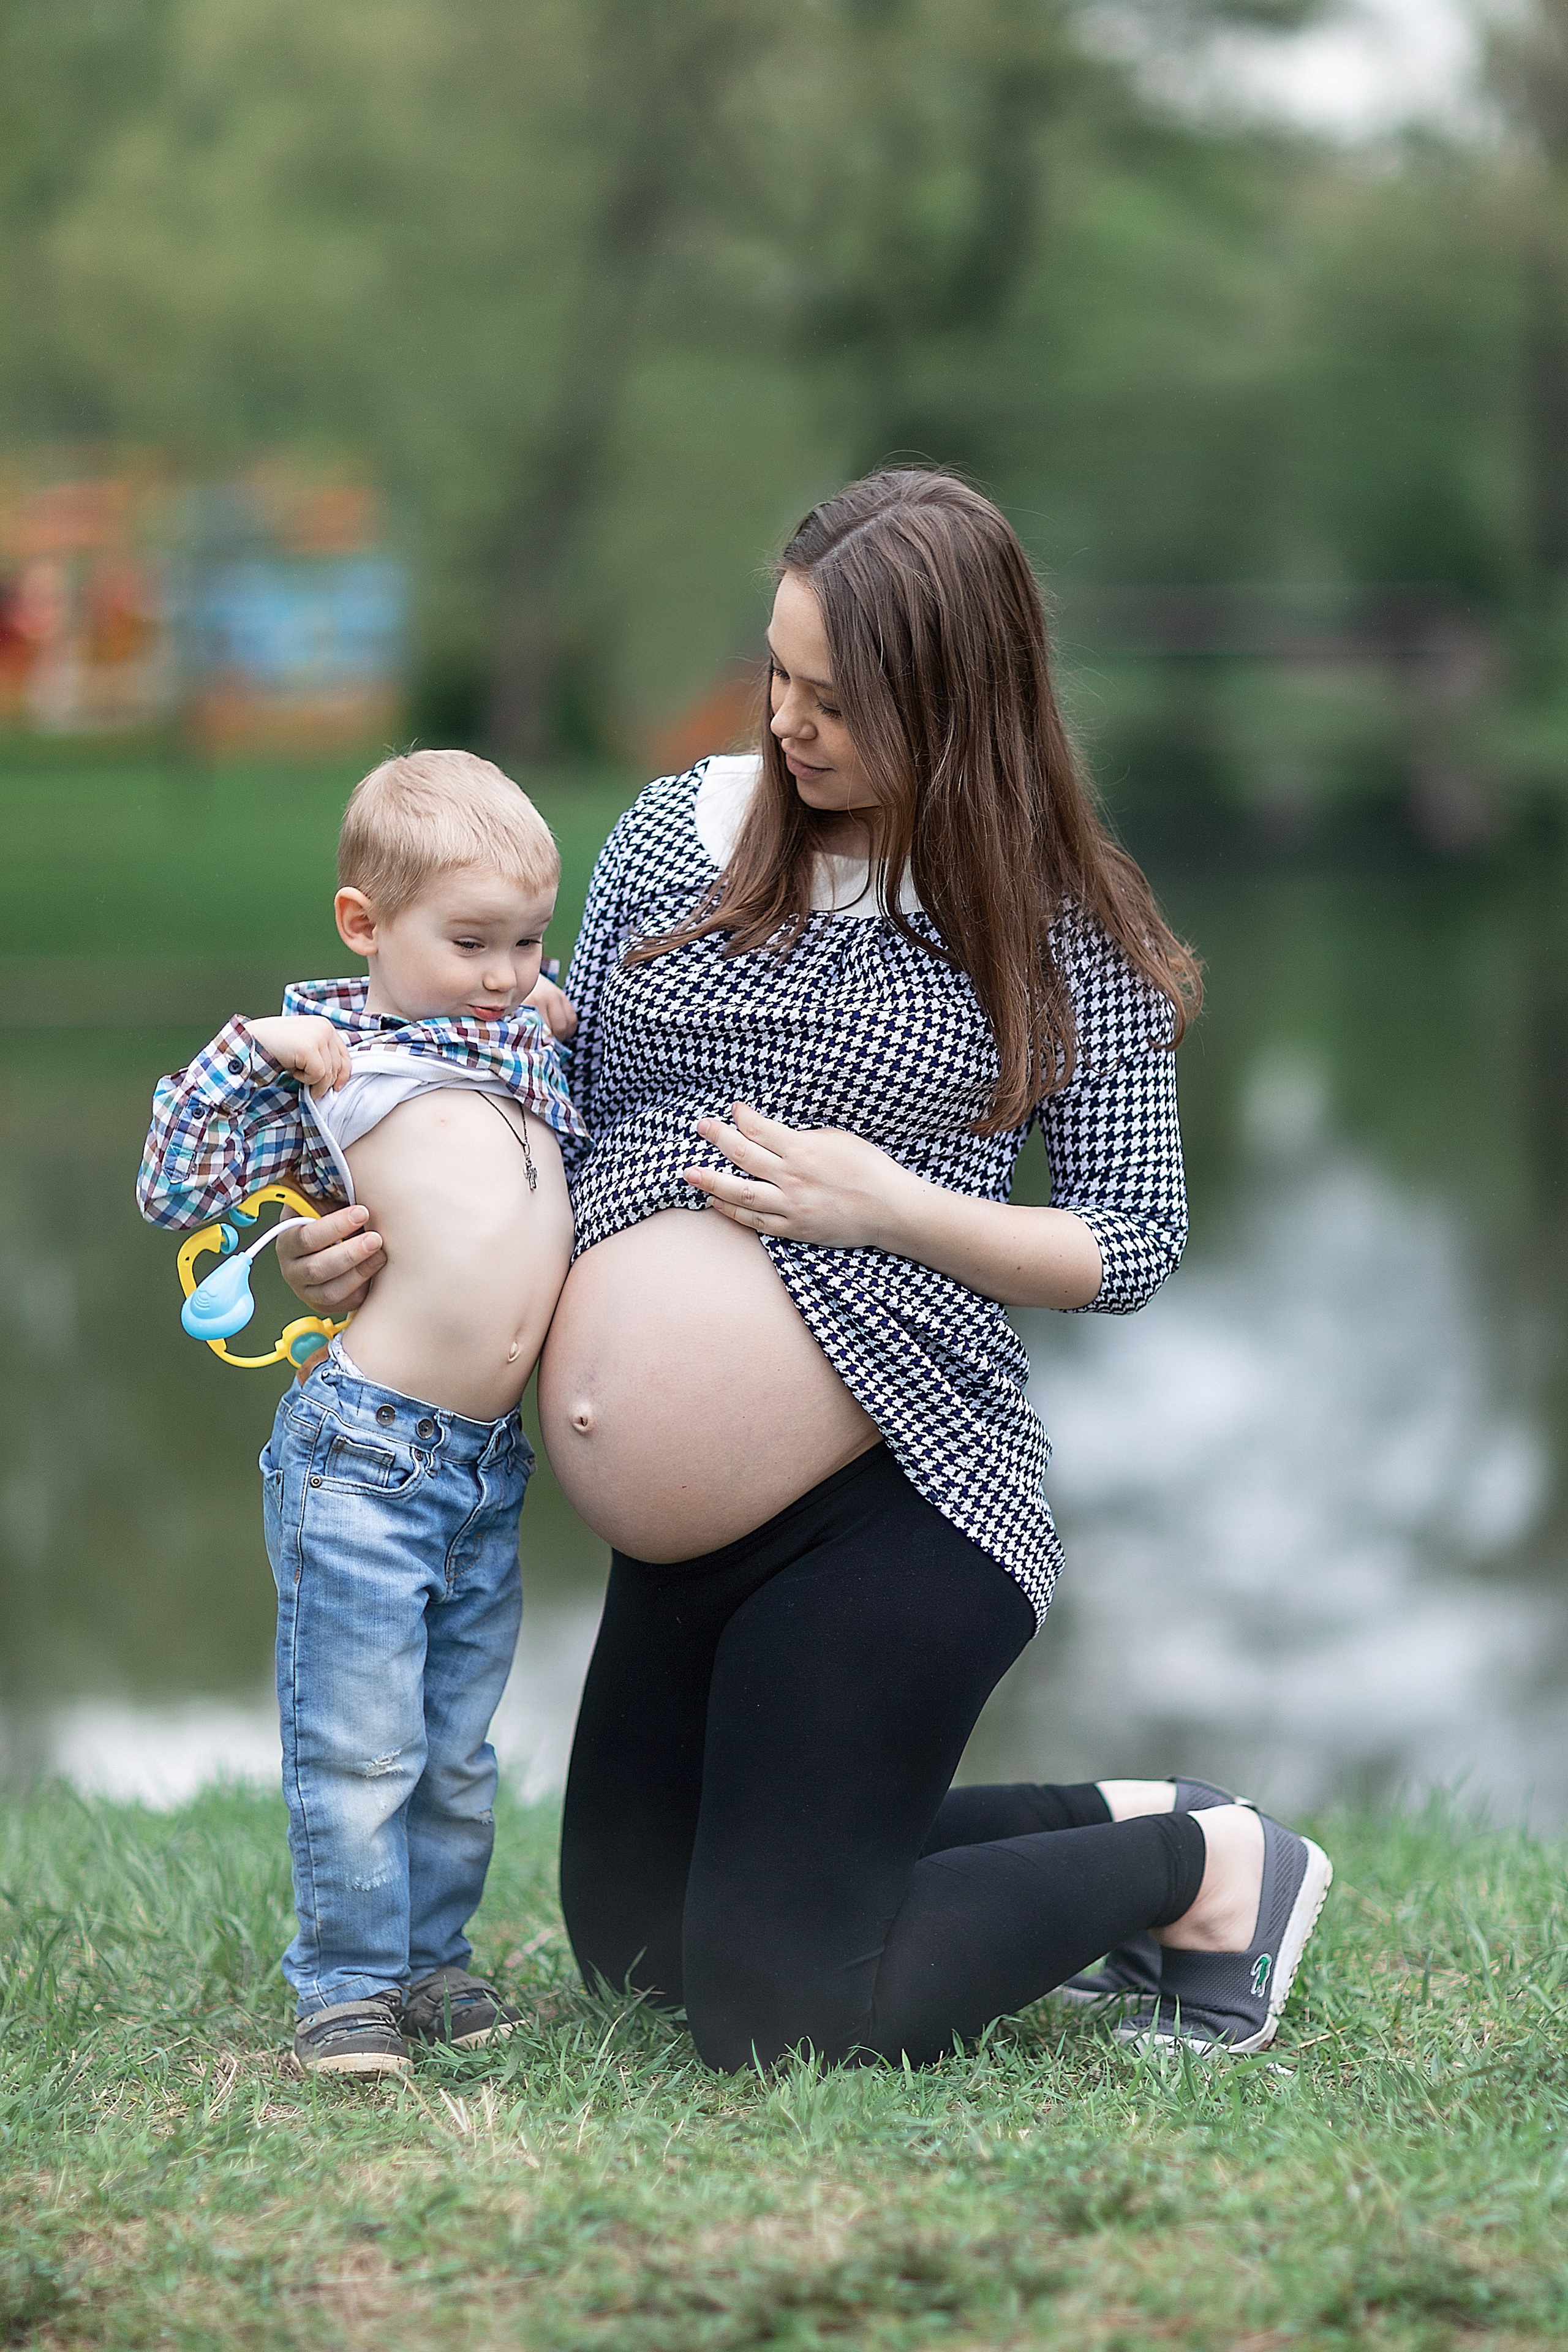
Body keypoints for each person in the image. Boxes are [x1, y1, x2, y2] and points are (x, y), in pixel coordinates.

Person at [281, 472, 1332, 2068]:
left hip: (900, 1500)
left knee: (772, 2011)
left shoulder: (1056, 920)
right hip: (688, 1543)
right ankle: (1104, 1822)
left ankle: (1213, 1868)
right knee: (641, 1955)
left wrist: (893, 1205)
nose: (786, 720)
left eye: (834, 698)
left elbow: (1131, 1237)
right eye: (777, 672)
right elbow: (546, 1097)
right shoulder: (669, 835)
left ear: (957, 704)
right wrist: (381, 1239)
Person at [137, 750, 582, 2078]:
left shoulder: (521, 1041)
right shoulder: (334, 1061)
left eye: (525, 940)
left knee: (453, 1748)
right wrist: (246, 1049)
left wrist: (549, 1007)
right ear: (363, 926)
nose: (504, 971)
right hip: (368, 1453)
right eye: (470, 942)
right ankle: (344, 1986)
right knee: (361, 1741)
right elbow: (173, 1184)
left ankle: (432, 1967)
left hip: (483, 1464)